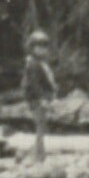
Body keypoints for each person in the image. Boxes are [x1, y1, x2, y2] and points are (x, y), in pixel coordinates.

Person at [22, 29, 58, 162]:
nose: (42, 50)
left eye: (44, 47)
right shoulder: (32, 64)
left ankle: (38, 153)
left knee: (42, 126)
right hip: (37, 99)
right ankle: (38, 155)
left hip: (42, 98)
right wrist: (42, 98)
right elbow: (35, 84)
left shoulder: (41, 63)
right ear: (32, 48)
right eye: (39, 47)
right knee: (40, 126)